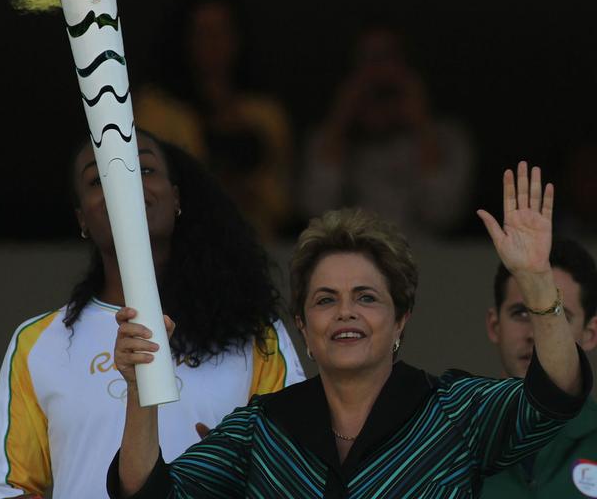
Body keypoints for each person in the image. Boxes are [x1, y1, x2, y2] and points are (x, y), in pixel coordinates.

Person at [108, 161, 592, 498]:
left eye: (367, 297)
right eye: (325, 300)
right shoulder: (260, 430)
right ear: (303, 325)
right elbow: (146, 492)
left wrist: (535, 283)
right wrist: (139, 387)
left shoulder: (454, 411)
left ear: (400, 319)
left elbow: (554, 393)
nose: (346, 312)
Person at [0, 131, 304, 499]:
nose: (123, 180)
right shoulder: (39, 342)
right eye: (98, 178)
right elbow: (7, 488)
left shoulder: (255, 334)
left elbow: (294, 470)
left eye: (144, 168)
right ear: (81, 218)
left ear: (176, 198)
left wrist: (241, 472)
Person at [135, 0, 293, 239]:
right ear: (184, 40)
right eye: (203, 32)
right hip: (182, 245)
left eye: (223, 31)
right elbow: (144, 184)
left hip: (256, 245)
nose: (214, 42)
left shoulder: (266, 112)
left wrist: (252, 193)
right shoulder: (157, 109)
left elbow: (284, 195)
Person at [300, 23, 473, 239]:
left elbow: (443, 214)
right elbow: (315, 210)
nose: (377, 73)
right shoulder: (325, 140)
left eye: (387, 58)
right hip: (351, 260)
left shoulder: (447, 138)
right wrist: (340, 120)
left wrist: (422, 126)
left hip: (426, 260)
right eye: (368, 59)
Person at [481, 237, 597, 498]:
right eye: (521, 313)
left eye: (557, 316)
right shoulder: (447, 435)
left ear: (590, 334)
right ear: (494, 325)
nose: (537, 333)